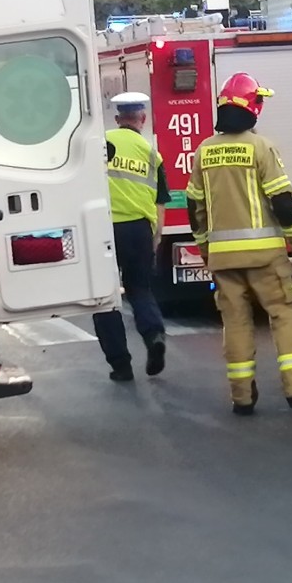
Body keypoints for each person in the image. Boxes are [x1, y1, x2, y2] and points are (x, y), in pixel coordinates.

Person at [185, 72, 292, 415]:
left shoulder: (204, 151)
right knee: (285, 314)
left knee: (235, 323)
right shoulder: (260, 147)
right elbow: (281, 200)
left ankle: (241, 396)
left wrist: (206, 248)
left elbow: (195, 206)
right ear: (251, 108)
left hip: (223, 259)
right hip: (265, 255)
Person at [93, 92, 169, 383]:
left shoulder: (102, 144)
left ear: (116, 119)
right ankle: (154, 337)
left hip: (103, 229)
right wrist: (157, 235)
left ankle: (121, 365)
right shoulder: (152, 153)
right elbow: (161, 199)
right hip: (139, 229)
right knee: (140, 289)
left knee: (104, 298)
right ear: (142, 119)